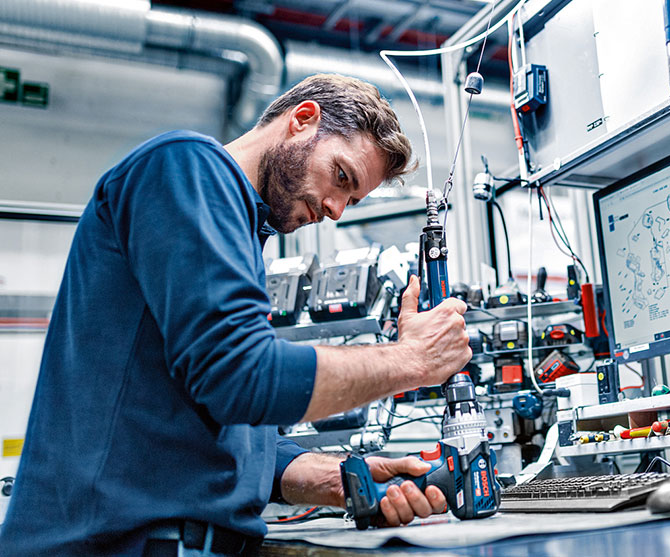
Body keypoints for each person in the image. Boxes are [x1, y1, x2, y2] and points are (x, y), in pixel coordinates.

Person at [0, 73, 472, 556]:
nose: (334, 209)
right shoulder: (185, 168)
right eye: (342, 177)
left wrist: (318, 475)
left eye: (351, 201)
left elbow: (200, 412)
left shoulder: (246, 230)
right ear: (303, 120)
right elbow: (242, 375)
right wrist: (413, 359)